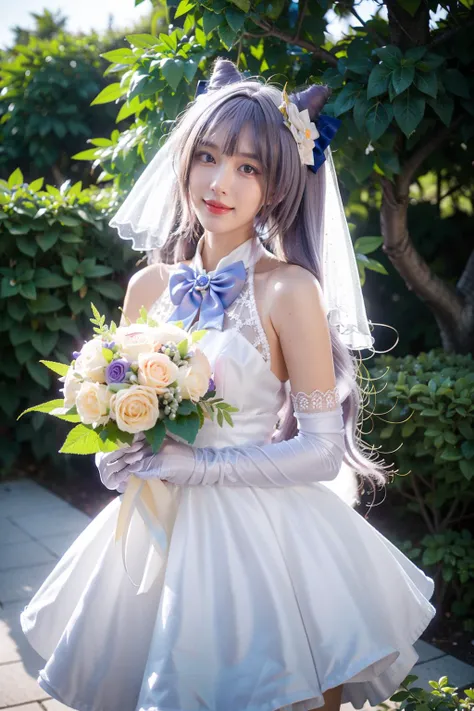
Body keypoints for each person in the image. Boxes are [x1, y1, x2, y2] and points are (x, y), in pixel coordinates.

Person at [20, 58, 436, 711]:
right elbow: (120, 420)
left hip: (259, 529)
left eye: (249, 167)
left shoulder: (290, 289)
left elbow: (322, 449)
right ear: (183, 161)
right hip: (154, 525)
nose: (220, 182)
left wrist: (200, 465)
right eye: (208, 156)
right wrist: (115, 457)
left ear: (276, 185)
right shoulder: (148, 286)